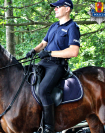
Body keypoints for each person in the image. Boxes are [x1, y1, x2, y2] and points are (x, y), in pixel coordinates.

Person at [26, 0, 80, 133]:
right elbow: (43, 44)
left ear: (67, 9)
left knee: (43, 90)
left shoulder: (72, 27)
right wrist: (34, 50)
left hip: (57, 65)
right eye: (55, 7)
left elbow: (74, 51)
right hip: (44, 63)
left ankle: (48, 128)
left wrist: (50, 53)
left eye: (58, 7)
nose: (55, 9)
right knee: (27, 83)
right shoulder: (53, 26)